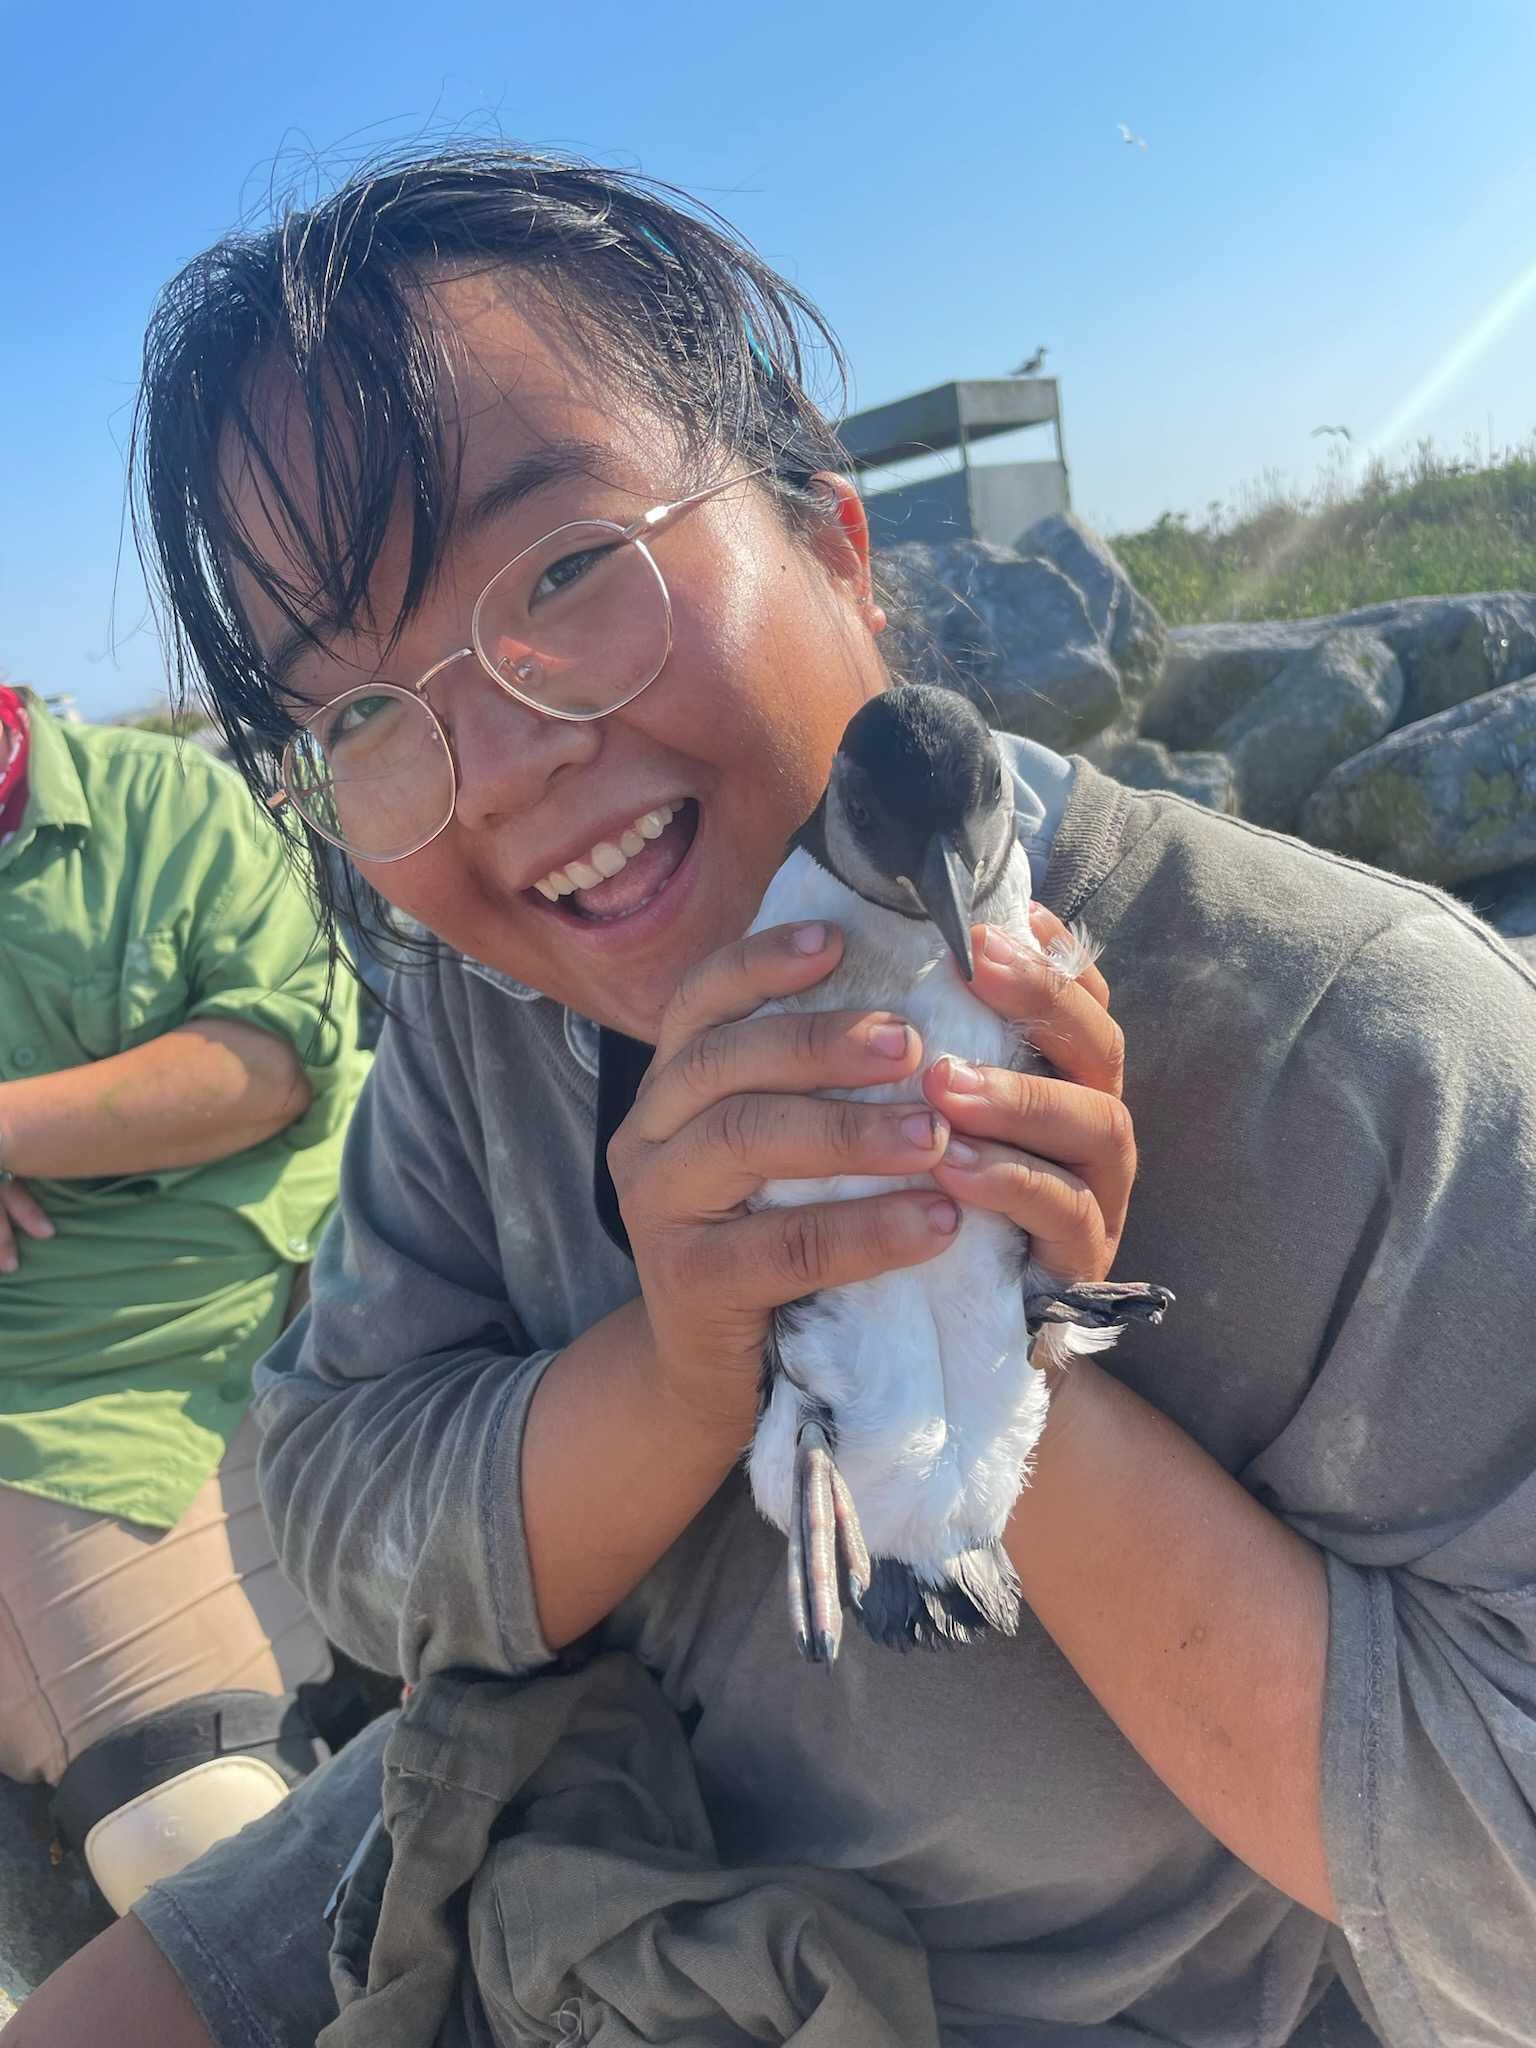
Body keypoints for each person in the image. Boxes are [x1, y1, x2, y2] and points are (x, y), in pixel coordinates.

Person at [14, 147, 1536, 2046]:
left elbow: (1504, 1893)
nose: (490, 766)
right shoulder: (494, 1006)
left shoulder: (1368, 1047)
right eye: (359, 716)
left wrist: (974, 1330)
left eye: (563, 568)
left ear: (831, 533)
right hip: (544, 1831)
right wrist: (675, 1361)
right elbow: (336, 1511)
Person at [0, 687, 370, 1915]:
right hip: (87, 1402)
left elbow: (272, 1064)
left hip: (358, 1289)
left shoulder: (166, 797)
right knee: (194, 1837)